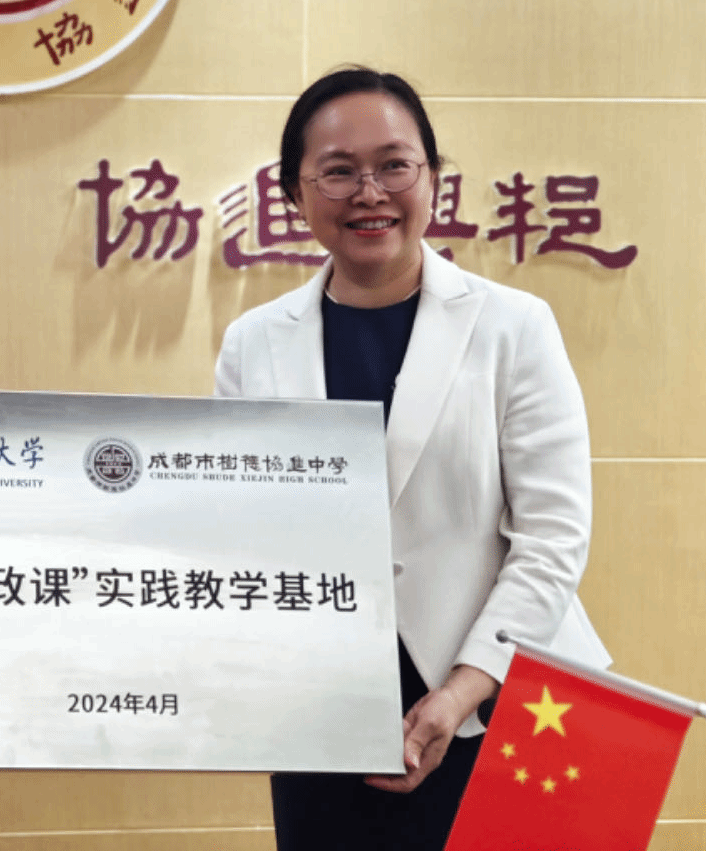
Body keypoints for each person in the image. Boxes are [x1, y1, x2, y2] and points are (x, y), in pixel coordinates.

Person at [214, 66, 609, 851]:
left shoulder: (515, 327)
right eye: (338, 171)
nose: (370, 193)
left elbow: (553, 539)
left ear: (432, 178)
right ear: (295, 194)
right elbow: (239, 535)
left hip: (497, 706)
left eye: (394, 164)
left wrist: (459, 693)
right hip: (321, 718)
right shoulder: (253, 344)